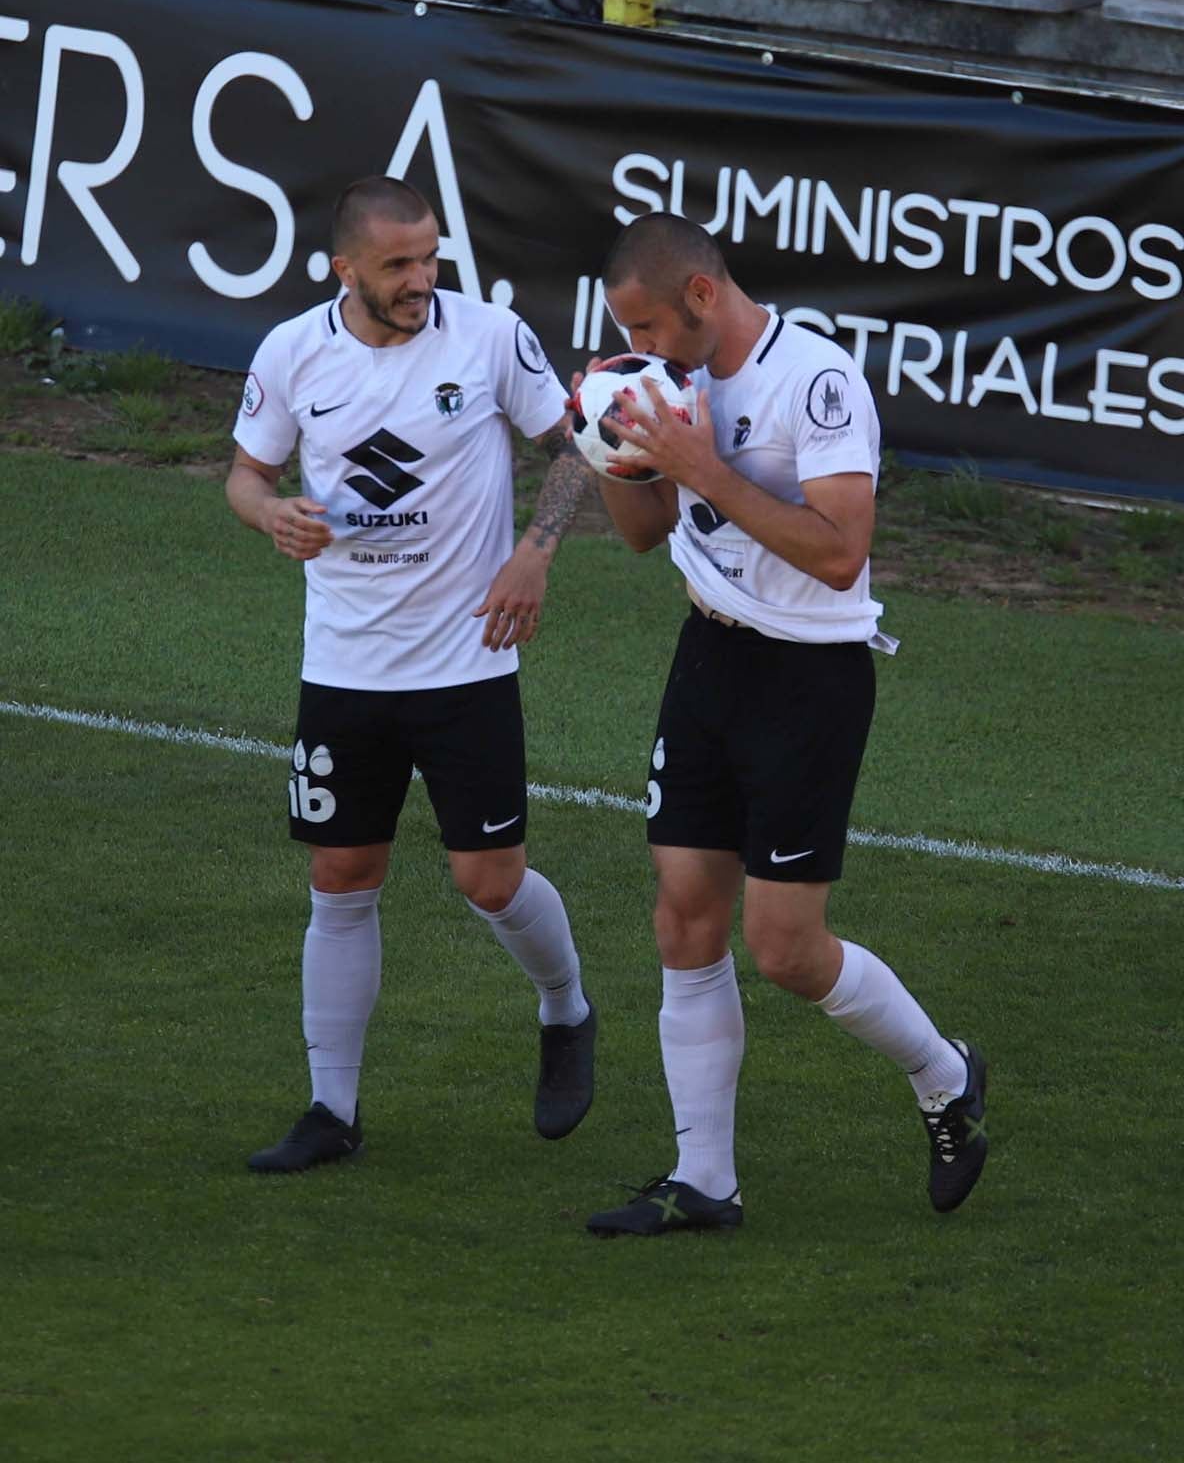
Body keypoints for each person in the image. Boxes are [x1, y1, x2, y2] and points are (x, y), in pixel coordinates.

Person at [583, 213, 988, 1236]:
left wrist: (701, 463)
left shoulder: (816, 380)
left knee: (785, 947)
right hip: (709, 656)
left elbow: (841, 552)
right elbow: (642, 538)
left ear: (702, 298)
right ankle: (704, 1181)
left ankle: (945, 1076)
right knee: (682, 912)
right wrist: (611, 447)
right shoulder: (669, 386)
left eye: (648, 325)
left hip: (810, 678)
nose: (642, 346)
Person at [227, 175, 597, 1173]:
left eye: (431, 258)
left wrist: (535, 552)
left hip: (464, 664)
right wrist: (272, 515)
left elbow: (577, 450)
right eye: (398, 264)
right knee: (341, 874)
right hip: (344, 666)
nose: (421, 280)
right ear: (344, 268)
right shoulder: (293, 353)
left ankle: (565, 1009)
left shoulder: (486, 339)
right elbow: (247, 473)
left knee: (489, 879)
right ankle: (330, 1111)